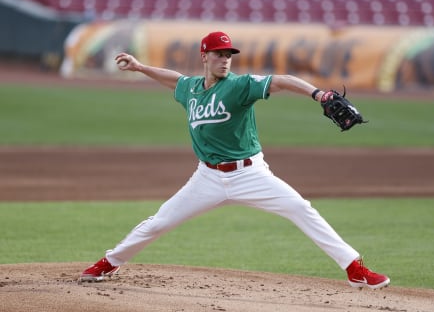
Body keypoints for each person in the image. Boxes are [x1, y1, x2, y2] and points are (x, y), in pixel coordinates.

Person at [80, 31, 390, 289]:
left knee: (301, 209)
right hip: (207, 178)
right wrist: (140, 67)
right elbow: (173, 80)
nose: (225, 59)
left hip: (250, 174)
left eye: (228, 54)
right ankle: (110, 262)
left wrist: (318, 95)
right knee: (159, 222)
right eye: (218, 53)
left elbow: (280, 80)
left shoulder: (240, 86)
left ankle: (354, 267)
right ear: (204, 56)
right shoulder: (189, 89)